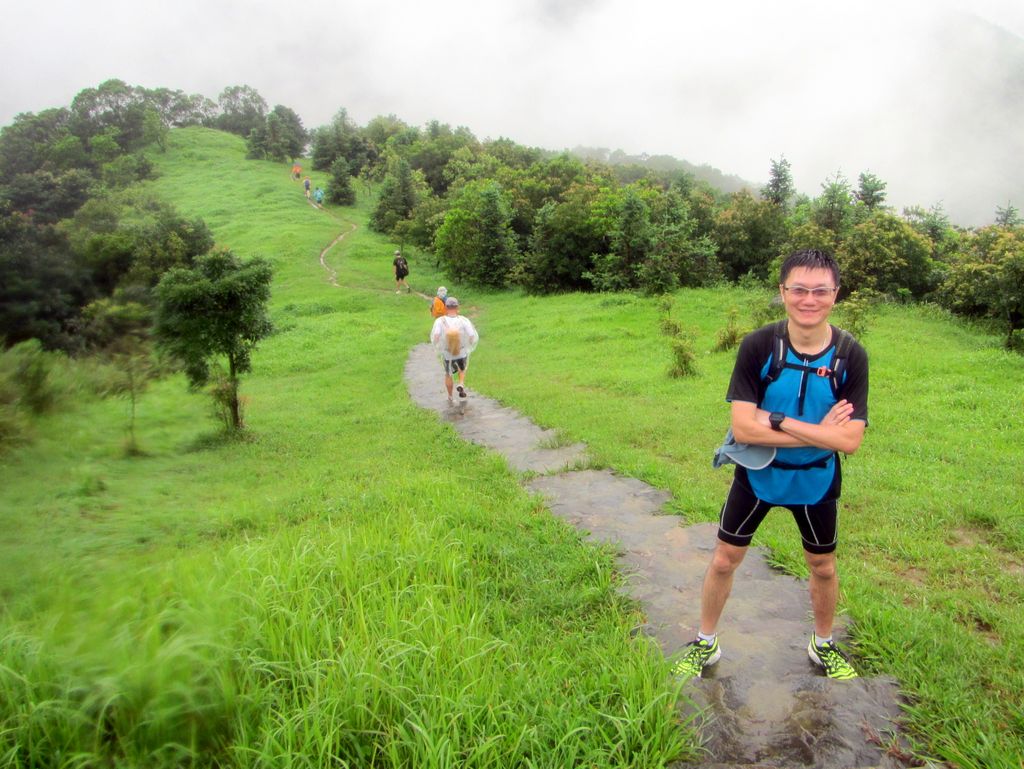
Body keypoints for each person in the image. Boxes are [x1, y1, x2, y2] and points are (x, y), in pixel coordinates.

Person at [674, 249, 869, 682]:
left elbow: (849, 441)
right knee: (724, 559)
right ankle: (705, 642)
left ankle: (823, 644)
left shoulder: (850, 355)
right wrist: (819, 431)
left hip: (816, 478)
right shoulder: (759, 345)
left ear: (835, 294)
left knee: (823, 566)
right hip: (757, 473)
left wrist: (777, 420)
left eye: (820, 291)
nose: (808, 300)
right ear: (782, 292)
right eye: (798, 289)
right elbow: (744, 428)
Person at [430, 297, 478, 403]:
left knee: (448, 374)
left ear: (446, 307)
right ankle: (461, 383)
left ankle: (450, 396)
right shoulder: (463, 320)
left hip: (448, 353)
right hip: (461, 351)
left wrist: (437, 345)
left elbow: (436, 335)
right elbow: (471, 335)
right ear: (457, 307)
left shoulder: (440, 321)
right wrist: (469, 343)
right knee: (462, 369)